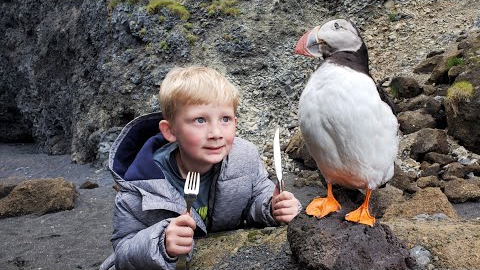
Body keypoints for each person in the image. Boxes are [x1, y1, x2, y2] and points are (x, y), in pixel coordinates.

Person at [100, 66, 301, 270]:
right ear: (170, 131)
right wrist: (162, 243)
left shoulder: (244, 158)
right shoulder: (139, 187)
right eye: (200, 120)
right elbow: (123, 252)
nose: (216, 133)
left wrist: (272, 207)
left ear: (236, 123)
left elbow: (255, 198)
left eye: (225, 119)